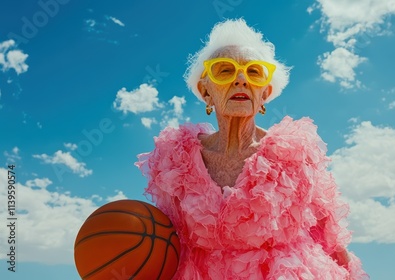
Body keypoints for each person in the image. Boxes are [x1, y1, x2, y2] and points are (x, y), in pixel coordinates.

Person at [136, 19, 369, 279]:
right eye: (224, 70)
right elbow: (162, 236)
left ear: (265, 94)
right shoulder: (175, 160)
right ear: (206, 92)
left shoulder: (292, 154)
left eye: (254, 72)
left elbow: (330, 238)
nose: (241, 79)